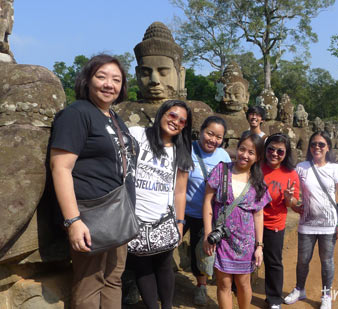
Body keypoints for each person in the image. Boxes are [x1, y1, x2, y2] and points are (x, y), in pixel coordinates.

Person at [49, 54, 138, 308]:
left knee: (113, 279)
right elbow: (61, 168)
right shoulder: (77, 114)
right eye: (101, 77)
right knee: (90, 282)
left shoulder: (114, 118)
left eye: (116, 79)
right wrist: (73, 221)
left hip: (118, 214)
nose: (109, 84)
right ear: (87, 80)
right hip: (91, 215)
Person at [127, 100, 193, 309]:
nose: (176, 122)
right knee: (142, 267)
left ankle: (167, 306)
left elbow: (180, 191)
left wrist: (180, 222)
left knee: (164, 265)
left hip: (163, 218)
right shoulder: (138, 135)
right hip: (134, 217)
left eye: (182, 121)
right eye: (172, 115)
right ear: (162, 113)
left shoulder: (180, 150)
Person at [202, 132, 271, 309]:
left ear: (258, 157)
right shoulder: (221, 170)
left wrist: (259, 246)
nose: (245, 155)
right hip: (221, 239)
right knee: (223, 284)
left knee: (243, 283)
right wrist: (207, 233)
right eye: (242, 149)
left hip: (245, 243)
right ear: (237, 149)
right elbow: (208, 202)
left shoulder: (258, 182)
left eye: (251, 152)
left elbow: (258, 215)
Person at [284, 131, 338, 309]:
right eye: (313, 144)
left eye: (321, 144)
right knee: (303, 260)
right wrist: (292, 202)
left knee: (327, 261)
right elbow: (295, 198)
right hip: (307, 223)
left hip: (328, 224)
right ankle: (300, 289)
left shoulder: (335, 168)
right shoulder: (301, 167)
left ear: (328, 147)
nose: (317, 148)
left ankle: (326, 294)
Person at [185, 116, 231, 305]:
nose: (213, 140)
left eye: (218, 137)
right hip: (183, 210)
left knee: (202, 250)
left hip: (207, 214)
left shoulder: (223, 157)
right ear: (201, 130)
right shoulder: (188, 150)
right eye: (210, 133)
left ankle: (201, 285)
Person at [261, 134, 300, 309]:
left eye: (280, 151)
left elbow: (291, 204)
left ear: (286, 153)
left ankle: (274, 298)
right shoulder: (256, 167)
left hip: (274, 222)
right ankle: (238, 289)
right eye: (271, 149)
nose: (274, 153)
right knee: (245, 258)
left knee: (273, 261)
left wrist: (288, 198)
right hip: (250, 221)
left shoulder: (291, 174)